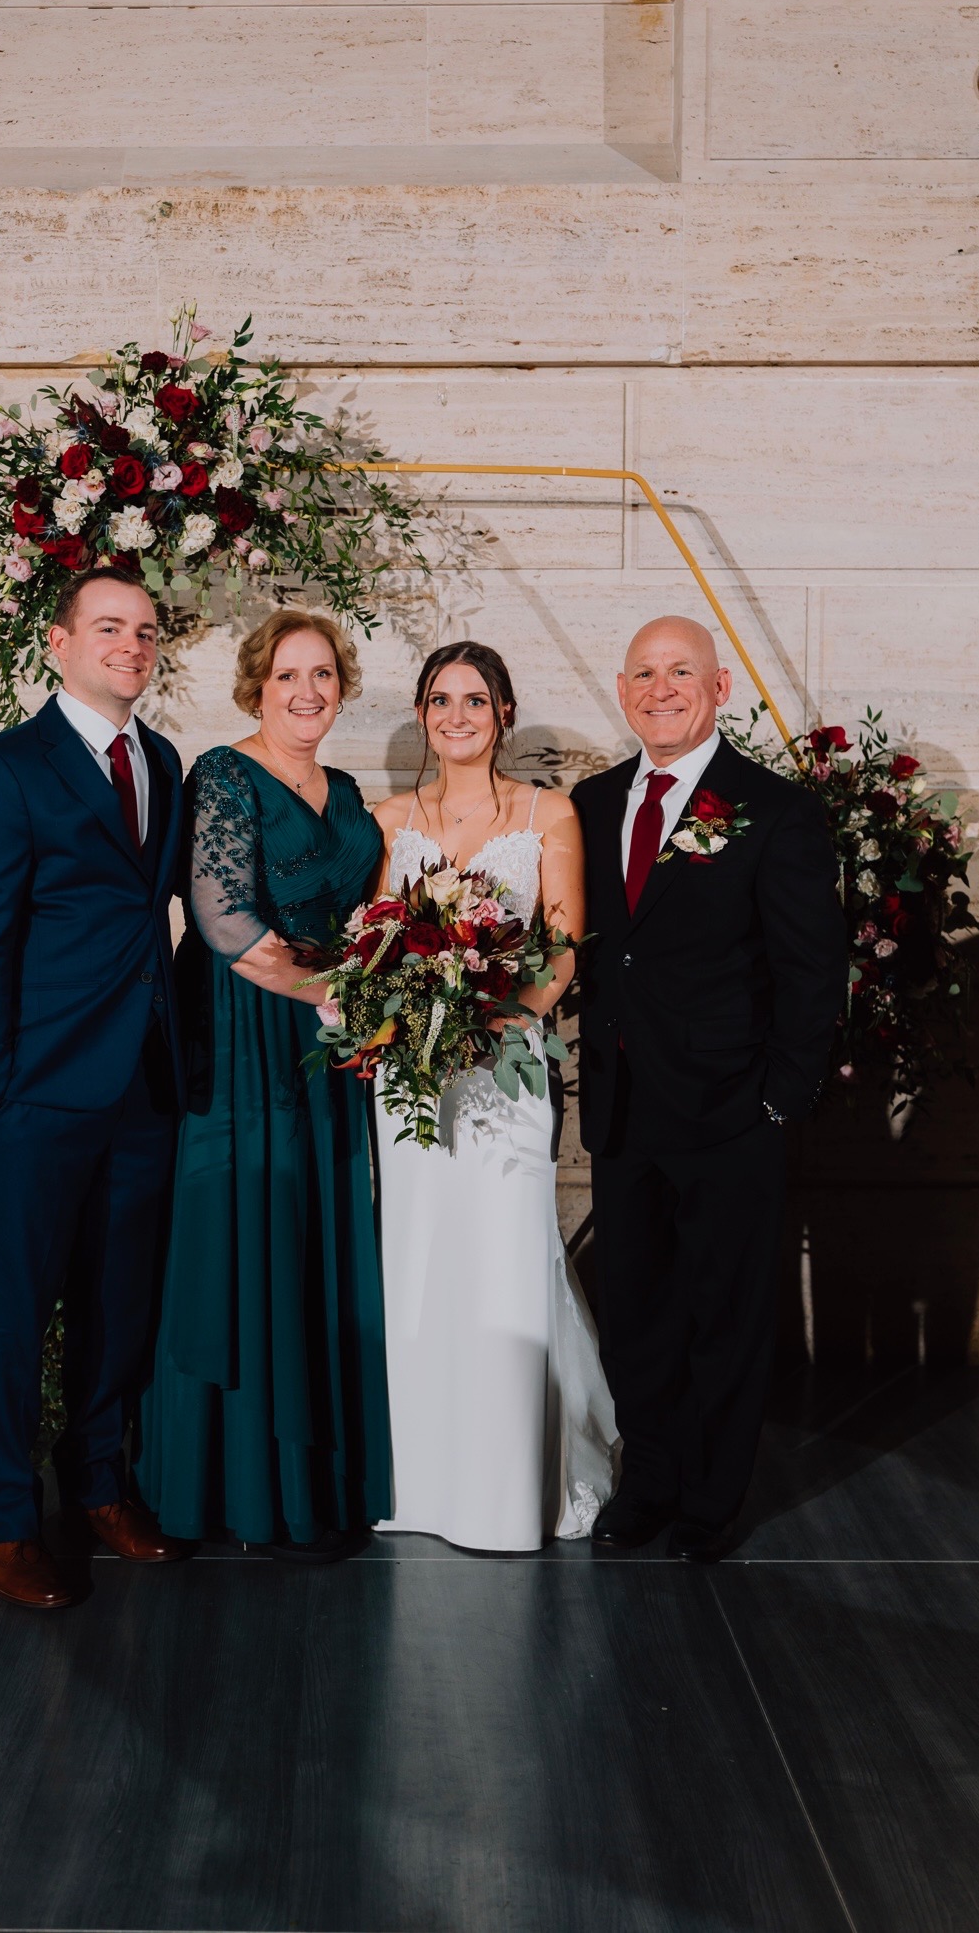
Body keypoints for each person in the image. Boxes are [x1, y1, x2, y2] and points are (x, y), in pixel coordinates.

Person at [0, 566, 189, 1609]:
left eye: (145, 630)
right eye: (109, 626)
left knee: (115, 1302)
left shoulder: (161, 760)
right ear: (59, 641)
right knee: (12, 1312)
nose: (130, 644)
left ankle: (97, 1488)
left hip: (141, 1083)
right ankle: (5, 1521)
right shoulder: (5, 767)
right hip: (33, 1088)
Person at [572, 616, 847, 1562]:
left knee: (725, 1314)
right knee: (636, 1311)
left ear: (718, 687)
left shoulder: (772, 809)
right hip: (621, 1105)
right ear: (622, 690)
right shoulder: (591, 802)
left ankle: (709, 1499)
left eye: (680, 671)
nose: (661, 689)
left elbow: (813, 968)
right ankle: (646, 1480)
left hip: (730, 1109)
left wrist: (779, 1097)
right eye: (643, 673)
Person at [136, 608, 391, 1562]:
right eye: (287, 674)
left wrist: (382, 995)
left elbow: (371, 913)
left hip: (325, 1037)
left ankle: (316, 1481)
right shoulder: (223, 773)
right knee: (241, 1227)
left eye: (322, 674)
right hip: (246, 1029)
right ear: (256, 686)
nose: (306, 691)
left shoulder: (348, 788)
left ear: (342, 687)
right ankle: (231, 1481)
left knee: (312, 1229)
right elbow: (224, 921)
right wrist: (339, 997)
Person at [370, 642, 618, 1553]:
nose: (457, 715)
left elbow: (562, 945)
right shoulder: (388, 819)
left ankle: (506, 1489)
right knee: (419, 1257)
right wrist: (402, 1011)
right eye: (440, 699)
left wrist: (500, 1018)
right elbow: (372, 945)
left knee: (505, 1256)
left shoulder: (547, 812)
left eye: (475, 699)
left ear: (504, 712)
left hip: (505, 1065)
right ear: (421, 713)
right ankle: (417, 1480)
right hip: (413, 1075)